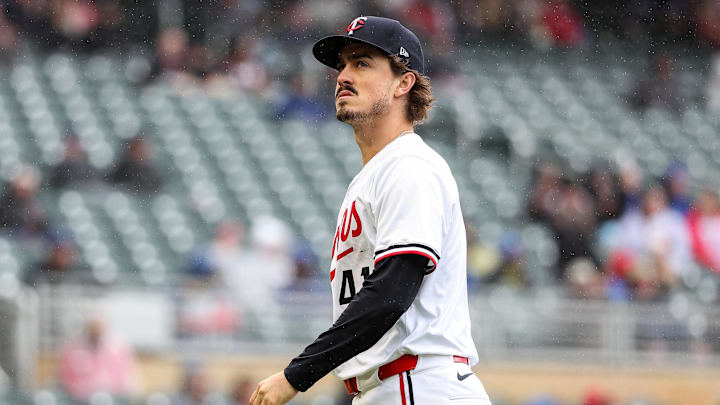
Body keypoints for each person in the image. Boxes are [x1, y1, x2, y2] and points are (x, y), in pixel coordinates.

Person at [250, 16, 490, 405]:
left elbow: (391, 293)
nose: (343, 75)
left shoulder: (409, 165)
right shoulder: (374, 175)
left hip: (419, 384)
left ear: (403, 82)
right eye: (342, 64)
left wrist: (297, 375)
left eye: (362, 63)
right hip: (391, 387)